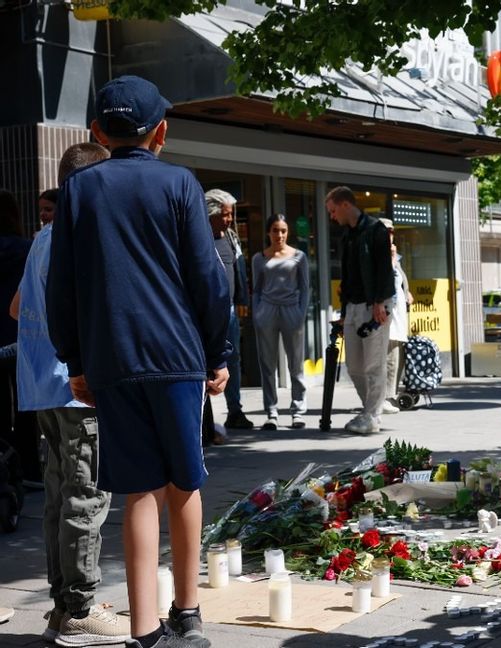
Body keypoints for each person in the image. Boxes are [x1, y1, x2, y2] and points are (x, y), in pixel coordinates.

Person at [47, 75, 231, 648]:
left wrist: (74, 359)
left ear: (98, 131)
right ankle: (189, 614)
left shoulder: (79, 190)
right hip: (178, 356)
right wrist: (218, 351)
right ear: (162, 133)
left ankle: (145, 629)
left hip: (113, 358)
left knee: (137, 491)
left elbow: (63, 286)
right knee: (185, 482)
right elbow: (209, 278)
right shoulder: (179, 183)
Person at [9, 142, 130, 646]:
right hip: (77, 388)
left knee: (60, 497)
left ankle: (64, 606)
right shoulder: (81, 238)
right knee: (85, 496)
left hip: (42, 386)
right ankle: (79, 609)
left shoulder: (42, 236)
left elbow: (17, 308)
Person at [325, 186, 396, 433]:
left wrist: (380, 302)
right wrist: (344, 312)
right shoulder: (348, 235)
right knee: (354, 367)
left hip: (373, 305)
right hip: (354, 307)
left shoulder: (375, 230)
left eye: (333, 210)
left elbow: (385, 269)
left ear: (345, 204)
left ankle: (373, 415)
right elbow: (348, 276)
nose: (332, 216)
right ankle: (369, 411)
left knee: (373, 365)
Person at [250, 214, 310, 429]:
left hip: (291, 310)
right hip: (267, 311)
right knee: (267, 364)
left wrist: (300, 313)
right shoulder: (259, 258)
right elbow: (256, 289)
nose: (279, 235)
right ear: (269, 232)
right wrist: (257, 313)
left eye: (283, 230)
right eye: (275, 230)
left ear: (288, 232)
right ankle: (272, 412)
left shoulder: (299, 256)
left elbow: (305, 287)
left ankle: (298, 411)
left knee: (296, 363)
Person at [204, 189, 254, 432]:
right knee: (207, 364)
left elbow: (239, 269)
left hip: (231, 310)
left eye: (230, 214)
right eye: (225, 214)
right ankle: (205, 421)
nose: (229, 219)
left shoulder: (231, 237)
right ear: (211, 213)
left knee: (232, 360)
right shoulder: (199, 238)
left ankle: (235, 410)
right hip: (207, 311)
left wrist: (243, 298)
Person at [0, 189, 37, 489]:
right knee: (26, 404)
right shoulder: (28, 249)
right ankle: (29, 468)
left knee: (0, 406)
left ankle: (5, 465)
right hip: (21, 335)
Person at [383, 221, 412, 409]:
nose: (389, 236)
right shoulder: (381, 257)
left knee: (397, 354)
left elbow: (400, 280)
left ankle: (391, 394)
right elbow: (389, 281)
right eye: (386, 232)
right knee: (389, 356)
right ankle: (385, 396)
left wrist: (407, 291)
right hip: (388, 314)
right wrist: (392, 261)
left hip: (399, 313)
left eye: (391, 232)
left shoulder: (394, 256)